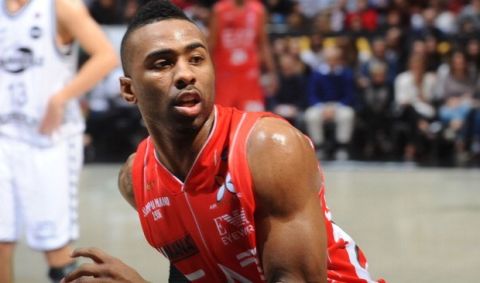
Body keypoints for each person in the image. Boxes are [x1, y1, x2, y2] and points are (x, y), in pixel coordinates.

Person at [62, 1, 384, 282]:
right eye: (163, 63)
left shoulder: (270, 147)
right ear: (128, 90)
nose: (186, 74)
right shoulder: (136, 180)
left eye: (197, 59)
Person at [0, 0, 118, 282]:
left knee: (55, 248)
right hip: (4, 137)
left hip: (50, 142)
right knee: (1, 243)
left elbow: (106, 55)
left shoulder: (61, 6)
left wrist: (60, 99)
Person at [208, 0, 278, 112]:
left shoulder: (258, 10)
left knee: (252, 120)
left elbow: (263, 43)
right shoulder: (219, 9)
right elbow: (211, 44)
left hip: (250, 78)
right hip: (224, 77)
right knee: (224, 119)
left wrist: (272, 72)